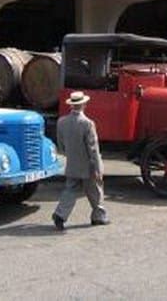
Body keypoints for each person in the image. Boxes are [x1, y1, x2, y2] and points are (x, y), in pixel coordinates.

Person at [52, 91, 109, 231]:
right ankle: (98, 216)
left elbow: (61, 145)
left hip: (72, 162)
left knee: (70, 190)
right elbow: (93, 149)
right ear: (83, 104)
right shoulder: (88, 124)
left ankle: (60, 214)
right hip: (87, 164)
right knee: (95, 190)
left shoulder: (62, 122)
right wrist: (98, 167)